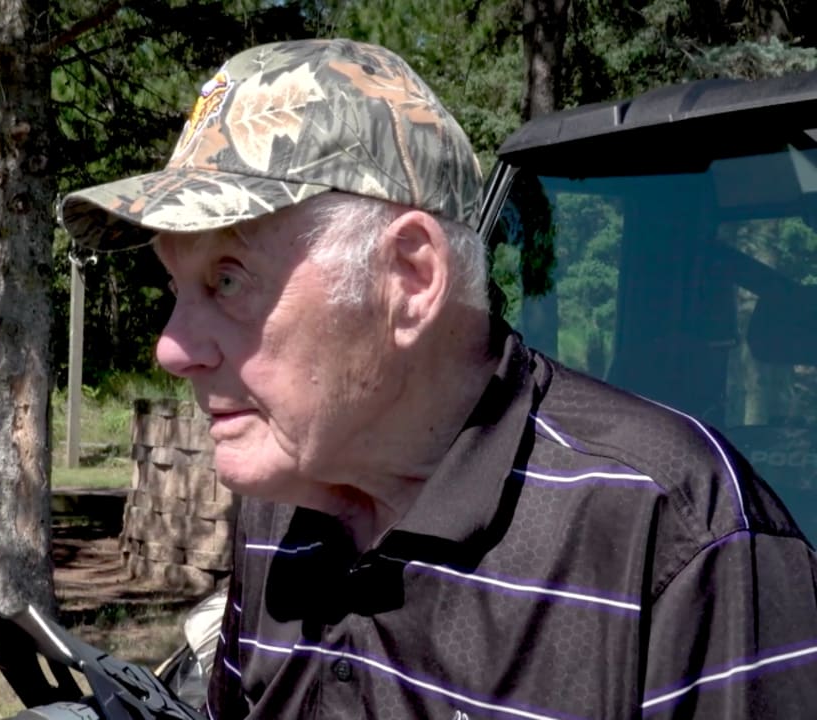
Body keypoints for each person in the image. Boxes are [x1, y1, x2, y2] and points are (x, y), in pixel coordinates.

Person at [58, 38, 817, 719]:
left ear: (411, 279)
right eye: (176, 288)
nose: (172, 348)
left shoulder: (677, 535)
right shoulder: (283, 503)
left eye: (228, 278)